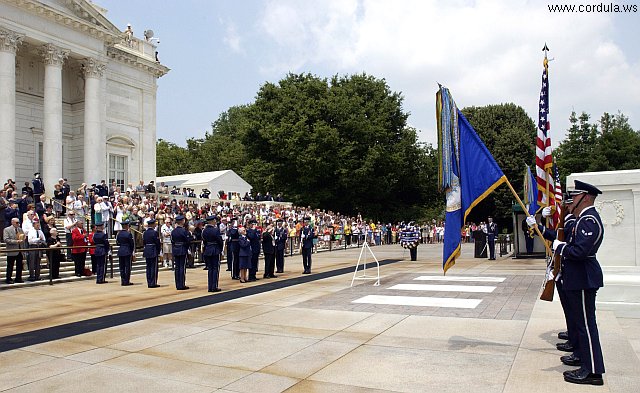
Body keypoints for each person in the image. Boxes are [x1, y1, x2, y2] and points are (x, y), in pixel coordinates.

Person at [552, 181, 605, 385]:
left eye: (575, 196)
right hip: (579, 276)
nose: (571, 200)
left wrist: (560, 247)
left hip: (583, 277)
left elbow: (580, 252)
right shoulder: (583, 219)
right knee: (582, 324)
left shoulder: (589, 220)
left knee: (586, 325)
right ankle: (586, 361)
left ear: (586, 197)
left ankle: (592, 371)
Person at [202, 215, 223, 292]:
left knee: (210, 269)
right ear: (213, 221)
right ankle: (214, 286)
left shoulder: (204, 230)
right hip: (215, 249)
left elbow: (204, 241)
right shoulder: (215, 230)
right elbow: (219, 240)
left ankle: (210, 286)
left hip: (208, 249)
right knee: (215, 269)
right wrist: (220, 249)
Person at [171, 215, 191, 290]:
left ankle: (178, 284)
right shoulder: (184, 231)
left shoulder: (173, 231)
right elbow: (187, 241)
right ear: (182, 221)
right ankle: (181, 284)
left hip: (176, 249)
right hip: (182, 249)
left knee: (177, 267)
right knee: (182, 267)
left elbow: (172, 241)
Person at [4, 218, 25, 283]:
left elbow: (23, 236)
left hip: (19, 250)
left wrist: (23, 239)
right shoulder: (7, 229)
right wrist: (16, 241)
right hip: (11, 250)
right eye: (17, 223)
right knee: (10, 266)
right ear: (12, 222)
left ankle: (18, 278)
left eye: (19, 222)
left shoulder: (20, 229)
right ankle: (8, 278)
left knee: (19, 265)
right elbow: (6, 239)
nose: (18, 224)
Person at [142, 219, 161, 288]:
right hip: (153, 249)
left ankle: (149, 282)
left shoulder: (145, 233)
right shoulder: (154, 232)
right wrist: (158, 251)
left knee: (148, 267)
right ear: (152, 224)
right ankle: (153, 282)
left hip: (147, 249)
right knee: (154, 267)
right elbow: (157, 243)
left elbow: (143, 242)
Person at [116, 220, 135, 286]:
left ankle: (123, 280)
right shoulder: (128, 234)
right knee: (127, 267)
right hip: (127, 251)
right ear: (127, 226)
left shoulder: (119, 234)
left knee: (121, 267)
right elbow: (132, 244)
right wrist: (132, 251)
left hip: (121, 250)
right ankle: (127, 281)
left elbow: (117, 243)